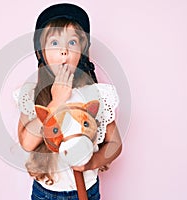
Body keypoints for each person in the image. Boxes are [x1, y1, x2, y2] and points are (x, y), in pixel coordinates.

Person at [15, 3, 122, 200]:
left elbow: (115, 143)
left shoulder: (93, 94)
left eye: (72, 42)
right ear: (41, 53)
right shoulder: (32, 94)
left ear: (82, 51)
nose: (64, 50)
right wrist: (55, 103)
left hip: (86, 190)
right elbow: (27, 143)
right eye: (54, 43)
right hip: (45, 193)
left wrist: (91, 163)